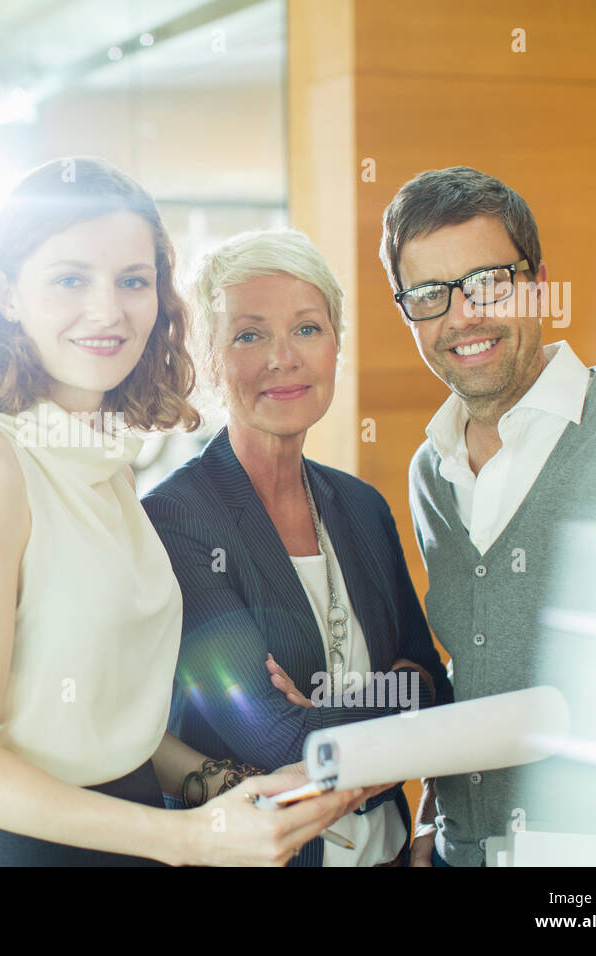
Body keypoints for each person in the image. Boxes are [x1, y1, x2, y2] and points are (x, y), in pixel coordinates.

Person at [0, 157, 369, 867]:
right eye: (71, 279)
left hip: (135, 835)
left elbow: (97, 724)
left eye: (133, 281)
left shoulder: (103, 467)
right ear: (8, 294)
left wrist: (220, 784)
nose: (108, 309)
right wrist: (187, 838)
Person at [381, 165, 596, 867]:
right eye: (428, 294)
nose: (463, 316)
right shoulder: (430, 474)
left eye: (489, 283)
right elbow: (472, 659)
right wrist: (434, 814)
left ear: (538, 283)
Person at [140, 227, 452, 867]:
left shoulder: (361, 506)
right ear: (208, 356)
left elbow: (437, 693)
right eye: (249, 335)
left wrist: (328, 706)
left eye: (308, 329)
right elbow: (281, 742)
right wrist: (390, 701)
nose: (283, 358)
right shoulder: (176, 519)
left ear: (336, 344)